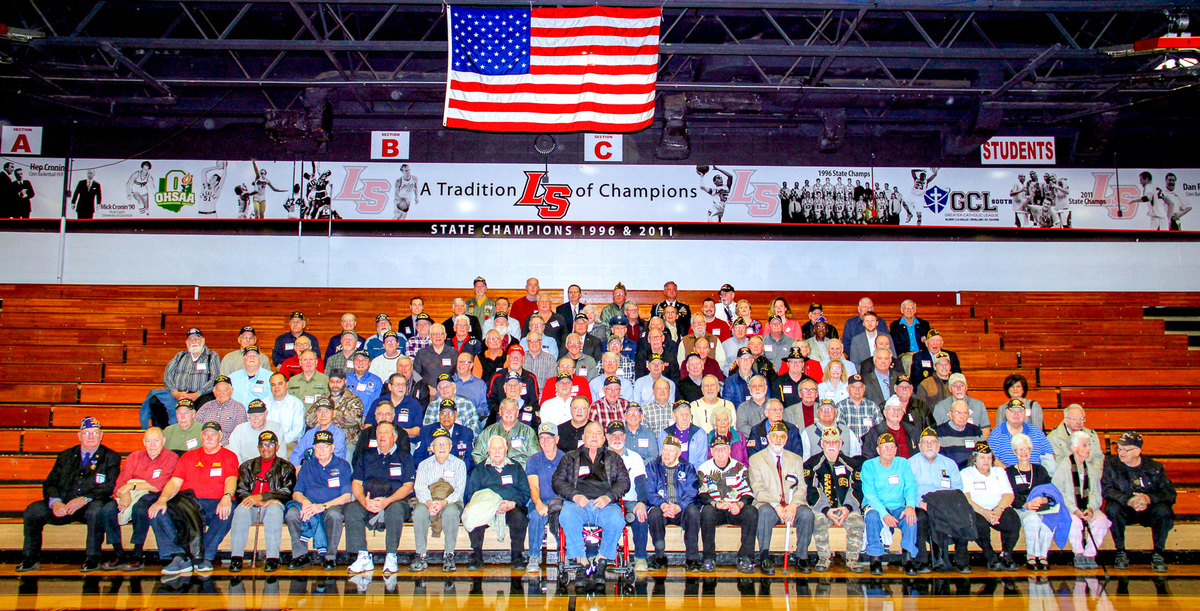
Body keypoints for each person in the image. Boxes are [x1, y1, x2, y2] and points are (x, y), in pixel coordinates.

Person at [17, 417, 120, 572]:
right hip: (64, 505)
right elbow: (50, 483)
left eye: (95, 433)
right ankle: (30, 558)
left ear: (101, 435)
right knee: (33, 510)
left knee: (96, 511)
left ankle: (93, 557)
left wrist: (84, 499)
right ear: (79, 436)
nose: (91, 436)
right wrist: (55, 502)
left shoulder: (111, 457)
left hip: (89, 504)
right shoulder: (65, 456)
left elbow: (109, 486)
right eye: (86, 433)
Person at [147, 421, 239, 575]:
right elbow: (175, 482)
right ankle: (180, 556)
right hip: (188, 504)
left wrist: (227, 496)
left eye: (213, 434)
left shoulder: (229, 456)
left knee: (227, 511)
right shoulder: (188, 456)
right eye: (205, 434)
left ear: (220, 437)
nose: (209, 437)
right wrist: (162, 499)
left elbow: (231, 479)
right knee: (156, 511)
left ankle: (204, 556)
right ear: (201, 437)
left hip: (215, 503)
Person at [552, 421, 631, 585]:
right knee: (566, 515)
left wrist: (609, 497)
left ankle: (601, 561)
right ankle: (582, 561)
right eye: (590, 433)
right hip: (578, 504)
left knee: (617, 520)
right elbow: (558, 482)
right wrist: (574, 496)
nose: (594, 436)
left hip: (605, 504)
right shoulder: (570, 457)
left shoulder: (614, 458)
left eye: (598, 433)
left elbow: (624, 482)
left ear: (604, 439)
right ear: (583, 438)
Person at [99, 427, 178, 571]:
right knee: (107, 509)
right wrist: (126, 493)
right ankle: (118, 553)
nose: (152, 445)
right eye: (149, 441)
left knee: (140, 509)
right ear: (143, 442)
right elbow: (120, 484)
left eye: (156, 441)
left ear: (163, 441)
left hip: (153, 495)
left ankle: (137, 554)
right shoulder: (134, 457)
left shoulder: (171, 457)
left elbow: (157, 486)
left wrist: (132, 486)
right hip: (131, 493)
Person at [345, 420, 416, 575]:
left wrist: (387, 501)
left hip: (395, 501)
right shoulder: (365, 456)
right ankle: (362, 555)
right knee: (351, 509)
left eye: (386, 432)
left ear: (395, 437)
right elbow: (356, 483)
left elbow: (408, 486)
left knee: (396, 509)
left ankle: (391, 556)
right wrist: (364, 501)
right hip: (369, 501)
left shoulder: (405, 458)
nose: (382, 436)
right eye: (379, 432)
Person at [1103, 431, 1175, 573]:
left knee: (1164, 511)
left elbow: (1169, 494)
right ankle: (1121, 552)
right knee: (1112, 508)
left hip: (1148, 509)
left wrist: (1148, 499)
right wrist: (1129, 500)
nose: (1121, 453)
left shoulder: (1154, 467)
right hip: (1126, 508)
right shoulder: (1111, 465)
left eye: (1125, 450)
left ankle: (1158, 553)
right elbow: (1107, 490)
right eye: (1119, 449)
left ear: (1137, 451)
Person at [747, 421, 812, 575]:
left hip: (791, 505)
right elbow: (758, 489)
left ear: (786, 439)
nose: (778, 439)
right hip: (769, 504)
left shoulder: (796, 459)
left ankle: (801, 556)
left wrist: (793, 505)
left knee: (807, 515)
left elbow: (801, 487)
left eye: (782, 437)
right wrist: (777, 506)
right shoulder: (756, 460)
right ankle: (764, 556)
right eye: (774, 436)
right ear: (768, 438)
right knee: (764, 513)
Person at [228, 431, 295, 573]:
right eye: (263, 445)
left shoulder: (286, 467)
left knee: (274, 510)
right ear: (258, 447)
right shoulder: (247, 466)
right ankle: (236, 557)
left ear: (277, 447)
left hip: (272, 506)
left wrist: (263, 498)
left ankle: (272, 558)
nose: (266, 448)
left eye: (270, 445)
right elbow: (240, 491)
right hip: (251, 505)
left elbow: (287, 492)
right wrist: (256, 501)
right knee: (240, 510)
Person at [284, 430, 352, 570]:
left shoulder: (343, 465)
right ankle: (300, 555)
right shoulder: (307, 466)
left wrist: (323, 506)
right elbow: (297, 492)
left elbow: (346, 497)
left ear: (332, 448)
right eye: (318, 446)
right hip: (309, 504)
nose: (321, 450)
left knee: (334, 515)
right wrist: (305, 502)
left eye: (325, 447)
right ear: (313, 448)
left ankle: (330, 557)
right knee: (292, 513)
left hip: (333, 504)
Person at [907, 428, 972, 573]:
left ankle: (961, 560)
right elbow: (907, 490)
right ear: (919, 446)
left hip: (946, 504)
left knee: (965, 515)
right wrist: (919, 503)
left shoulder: (949, 464)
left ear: (938, 445)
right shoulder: (910, 464)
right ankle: (922, 561)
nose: (929, 445)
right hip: (921, 503)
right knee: (922, 518)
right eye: (925, 442)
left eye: (933, 442)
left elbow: (957, 488)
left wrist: (949, 505)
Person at [463, 436, 531, 570]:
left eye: (500, 448)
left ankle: (517, 556)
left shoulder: (516, 467)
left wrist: (513, 503)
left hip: (511, 506)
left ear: (506, 449)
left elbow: (525, 492)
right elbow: (473, 494)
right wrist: (490, 506)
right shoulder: (480, 469)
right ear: (488, 450)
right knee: (474, 512)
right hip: (487, 507)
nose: (497, 451)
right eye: (493, 448)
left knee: (519, 516)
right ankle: (477, 556)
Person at [804, 428, 866, 572]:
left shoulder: (853, 464)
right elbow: (812, 490)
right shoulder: (811, 465)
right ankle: (824, 558)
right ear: (821, 444)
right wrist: (827, 510)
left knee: (857, 521)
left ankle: (852, 559)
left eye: (834, 442)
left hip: (847, 508)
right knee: (818, 520)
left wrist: (847, 508)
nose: (831, 445)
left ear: (840, 444)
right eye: (827, 442)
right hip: (823, 509)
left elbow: (857, 488)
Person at [860, 433, 919, 575]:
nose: (888, 450)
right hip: (875, 506)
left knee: (911, 518)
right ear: (878, 450)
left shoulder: (903, 463)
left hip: (898, 506)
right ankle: (875, 558)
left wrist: (910, 505)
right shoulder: (869, 466)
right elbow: (869, 494)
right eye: (884, 447)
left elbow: (910, 486)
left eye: (892, 447)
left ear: (896, 450)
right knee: (872, 518)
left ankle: (909, 559)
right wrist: (884, 514)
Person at [410, 430, 468, 572]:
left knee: (451, 512)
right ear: (431, 448)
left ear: (450, 446)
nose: (441, 447)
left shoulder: (459, 464)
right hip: (428, 501)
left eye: (445, 444)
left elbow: (459, 491)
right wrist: (429, 503)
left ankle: (449, 554)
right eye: (438, 444)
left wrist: (443, 503)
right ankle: (421, 554)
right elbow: (420, 488)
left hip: (451, 502)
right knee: (419, 512)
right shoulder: (424, 465)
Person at [1051, 430, 1109, 569]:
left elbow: (1096, 493)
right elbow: (1058, 492)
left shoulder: (1091, 468)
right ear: (1074, 448)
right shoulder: (1064, 466)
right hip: (1069, 508)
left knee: (1101, 521)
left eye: (1089, 445)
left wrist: (1091, 508)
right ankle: (1078, 553)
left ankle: (1090, 554)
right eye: (1084, 445)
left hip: (1087, 508)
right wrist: (1074, 509)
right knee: (1075, 522)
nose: (1088, 448)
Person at [140, 327, 220, 428]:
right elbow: (167, 376)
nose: (194, 341)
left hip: (200, 395)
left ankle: (198, 434)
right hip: (178, 394)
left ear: (203, 340)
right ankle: (164, 433)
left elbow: (214, 379)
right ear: (186, 342)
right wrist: (175, 392)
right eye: (191, 339)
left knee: (208, 403)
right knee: (154, 401)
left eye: (197, 338)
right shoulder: (180, 356)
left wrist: (197, 394)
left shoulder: (212, 356)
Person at [960, 442, 1021, 571]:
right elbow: (967, 499)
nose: (986, 461)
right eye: (982, 457)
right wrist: (985, 512)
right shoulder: (966, 473)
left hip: (998, 508)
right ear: (974, 459)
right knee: (980, 525)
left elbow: (1009, 494)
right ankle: (990, 557)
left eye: (989, 457)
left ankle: (1007, 555)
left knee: (1013, 521)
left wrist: (999, 510)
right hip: (977, 510)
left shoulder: (999, 471)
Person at [645, 434, 702, 571]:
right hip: (662, 508)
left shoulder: (688, 468)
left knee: (693, 511)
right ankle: (659, 557)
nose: (666, 454)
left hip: (681, 509)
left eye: (671, 451)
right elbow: (649, 492)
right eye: (664, 450)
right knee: (654, 513)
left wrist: (679, 506)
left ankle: (692, 558)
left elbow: (692, 493)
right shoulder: (652, 467)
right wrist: (663, 504)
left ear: (679, 453)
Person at [1005, 433, 1057, 571]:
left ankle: (1043, 556)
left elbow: (1051, 492)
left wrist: (1043, 500)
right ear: (1015, 452)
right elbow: (1009, 495)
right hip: (1020, 508)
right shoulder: (1008, 472)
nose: (1023, 452)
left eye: (1026, 449)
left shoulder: (1040, 470)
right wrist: (1026, 505)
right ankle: (1031, 555)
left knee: (1049, 520)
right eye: (1020, 449)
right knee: (1033, 519)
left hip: (1041, 507)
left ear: (1031, 450)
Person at [525, 423, 566, 572]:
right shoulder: (533, 460)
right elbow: (533, 487)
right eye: (542, 438)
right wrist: (538, 504)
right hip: (539, 499)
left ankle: (565, 555)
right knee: (536, 515)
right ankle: (534, 557)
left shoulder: (567, 458)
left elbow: (568, 487)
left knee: (565, 516)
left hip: (560, 501)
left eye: (549, 438)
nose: (545, 441)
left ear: (557, 439)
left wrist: (557, 505)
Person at [987, 400, 1056, 472]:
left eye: (1020, 411)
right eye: (1012, 411)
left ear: (1025, 414)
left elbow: (1050, 455)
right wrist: (1010, 474)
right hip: (1007, 477)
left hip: (1036, 477)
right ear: (1006, 413)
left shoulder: (1036, 432)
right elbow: (993, 459)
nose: (1016, 414)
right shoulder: (996, 434)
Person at [473, 398, 537, 468]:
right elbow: (477, 454)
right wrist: (490, 469)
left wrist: (519, 470)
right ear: (500, 412)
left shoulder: (528, 432)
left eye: (512, 410)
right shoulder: (488, 432)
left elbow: (534, 457)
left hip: (520, 474)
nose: (509, 413)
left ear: (517, 413)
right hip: (494, 474)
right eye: (505, 409)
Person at [932, 372, 991, 438]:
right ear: (950, 389)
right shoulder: (940, 407)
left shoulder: (978, 405)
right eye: (955, 386)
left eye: (962, 385)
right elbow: (935, 433)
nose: (959, 389)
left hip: (973, 445)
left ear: (966, 387)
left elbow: (985, 430)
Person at [290, 399, 348, 465]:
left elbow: (335, 460)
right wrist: (296, 468)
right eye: (320, 411)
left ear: (333, 413)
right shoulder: (310, 434)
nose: (323, 415)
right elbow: (296, 454)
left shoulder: (338, 435)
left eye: (326, 411)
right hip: (309, 470)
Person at [195, 375, 246, 444]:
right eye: (219, 390)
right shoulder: (206, 407)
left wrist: (221, 445)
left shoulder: (239, 408)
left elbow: (240, 432)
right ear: (214, 392)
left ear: (232, 391)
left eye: (225, 390)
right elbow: (195, 425)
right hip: (206, 444)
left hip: (228, 445)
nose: (222, 393)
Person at [935, 400, 985, 468]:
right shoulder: (939, 432)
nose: (962, 417)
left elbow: (983, 455)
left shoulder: (976, 431)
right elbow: (938, 459)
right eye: (958, 413)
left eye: (965, 413)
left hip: (971, 472)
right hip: (949, 470)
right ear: (950, 415)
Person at [659, 401, 708, 469]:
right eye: (681, 415)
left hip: (693, 475)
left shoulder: (699, 434)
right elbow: (663, 459)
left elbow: (701, 461)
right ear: (673, 416)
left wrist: (690, 474)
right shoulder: (665, 434)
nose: (685, 418)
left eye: (687, 414)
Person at [263, 373, 306, 452]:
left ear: (286, 385)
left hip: (289, 443)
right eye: (273, 385)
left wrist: (278, 442)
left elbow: (297, 430)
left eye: (280, 384)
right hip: (266, 442)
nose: (276, 387)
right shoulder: (264, 403)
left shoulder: (296, 404)